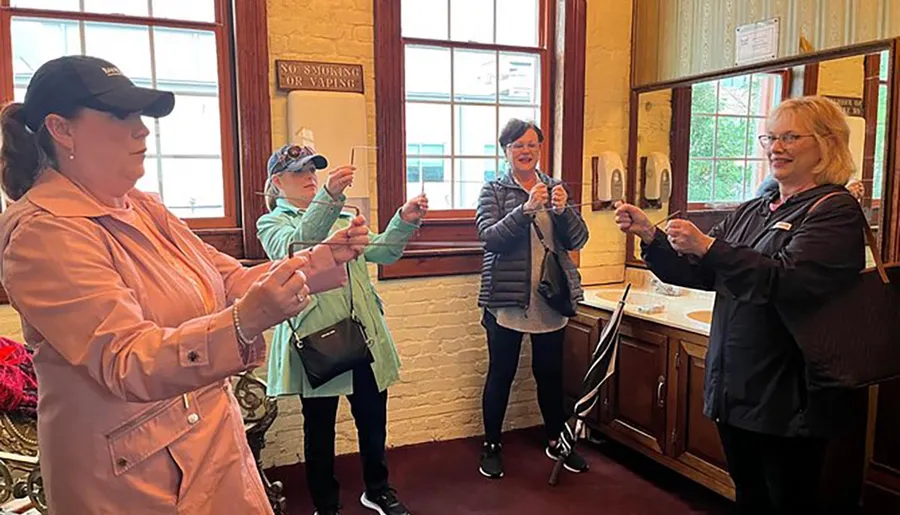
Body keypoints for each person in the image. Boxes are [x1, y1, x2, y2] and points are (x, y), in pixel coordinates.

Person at [0, 55, 370, 515]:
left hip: (205, 445)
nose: (142, 130)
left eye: (140, 116)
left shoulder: (141, 206)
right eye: (121, 115)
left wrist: (316, 262)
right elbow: (127, 359)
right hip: (130, 477)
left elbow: (225, 276)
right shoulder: (44, 233)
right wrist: (245, 321)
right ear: (61, 128)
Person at [614, 95, 867, 514]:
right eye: (770, 137)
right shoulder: (755, 209)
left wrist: (710, 246)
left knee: (791, 500)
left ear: (827, 144)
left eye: (790, 137)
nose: (775, 147)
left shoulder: (834, 211)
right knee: (750, 495)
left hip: (790, 395)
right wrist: (651, 237)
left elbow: (787, 280)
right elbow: (701, 273)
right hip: (736, 387)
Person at [257, 145, 428, 515]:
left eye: (313, 171)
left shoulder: (337, 217)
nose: (309, 178)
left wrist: (404, 219)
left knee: (373, 419)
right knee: (319, 431)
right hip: (317, 341)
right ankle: (326, 505)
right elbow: (295, 249)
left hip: (362, 335)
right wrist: (329, 197)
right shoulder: (273, 223)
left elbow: (381, 252)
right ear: (277, 182)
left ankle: (377, 489)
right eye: (299, 172)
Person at [474, 119, 590, 480]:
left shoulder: (556, 188)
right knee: (501, 374)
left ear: (540, 149)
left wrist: (564, 210)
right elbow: (489, 238)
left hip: (549, 299)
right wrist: (524, 211)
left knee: (550, 375)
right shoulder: (493, 189)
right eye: (517, 145)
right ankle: (492, 443)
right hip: (507, 299)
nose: (525, 151)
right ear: (505, 150)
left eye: (532, 145)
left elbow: (578, 240)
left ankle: (556, 438)